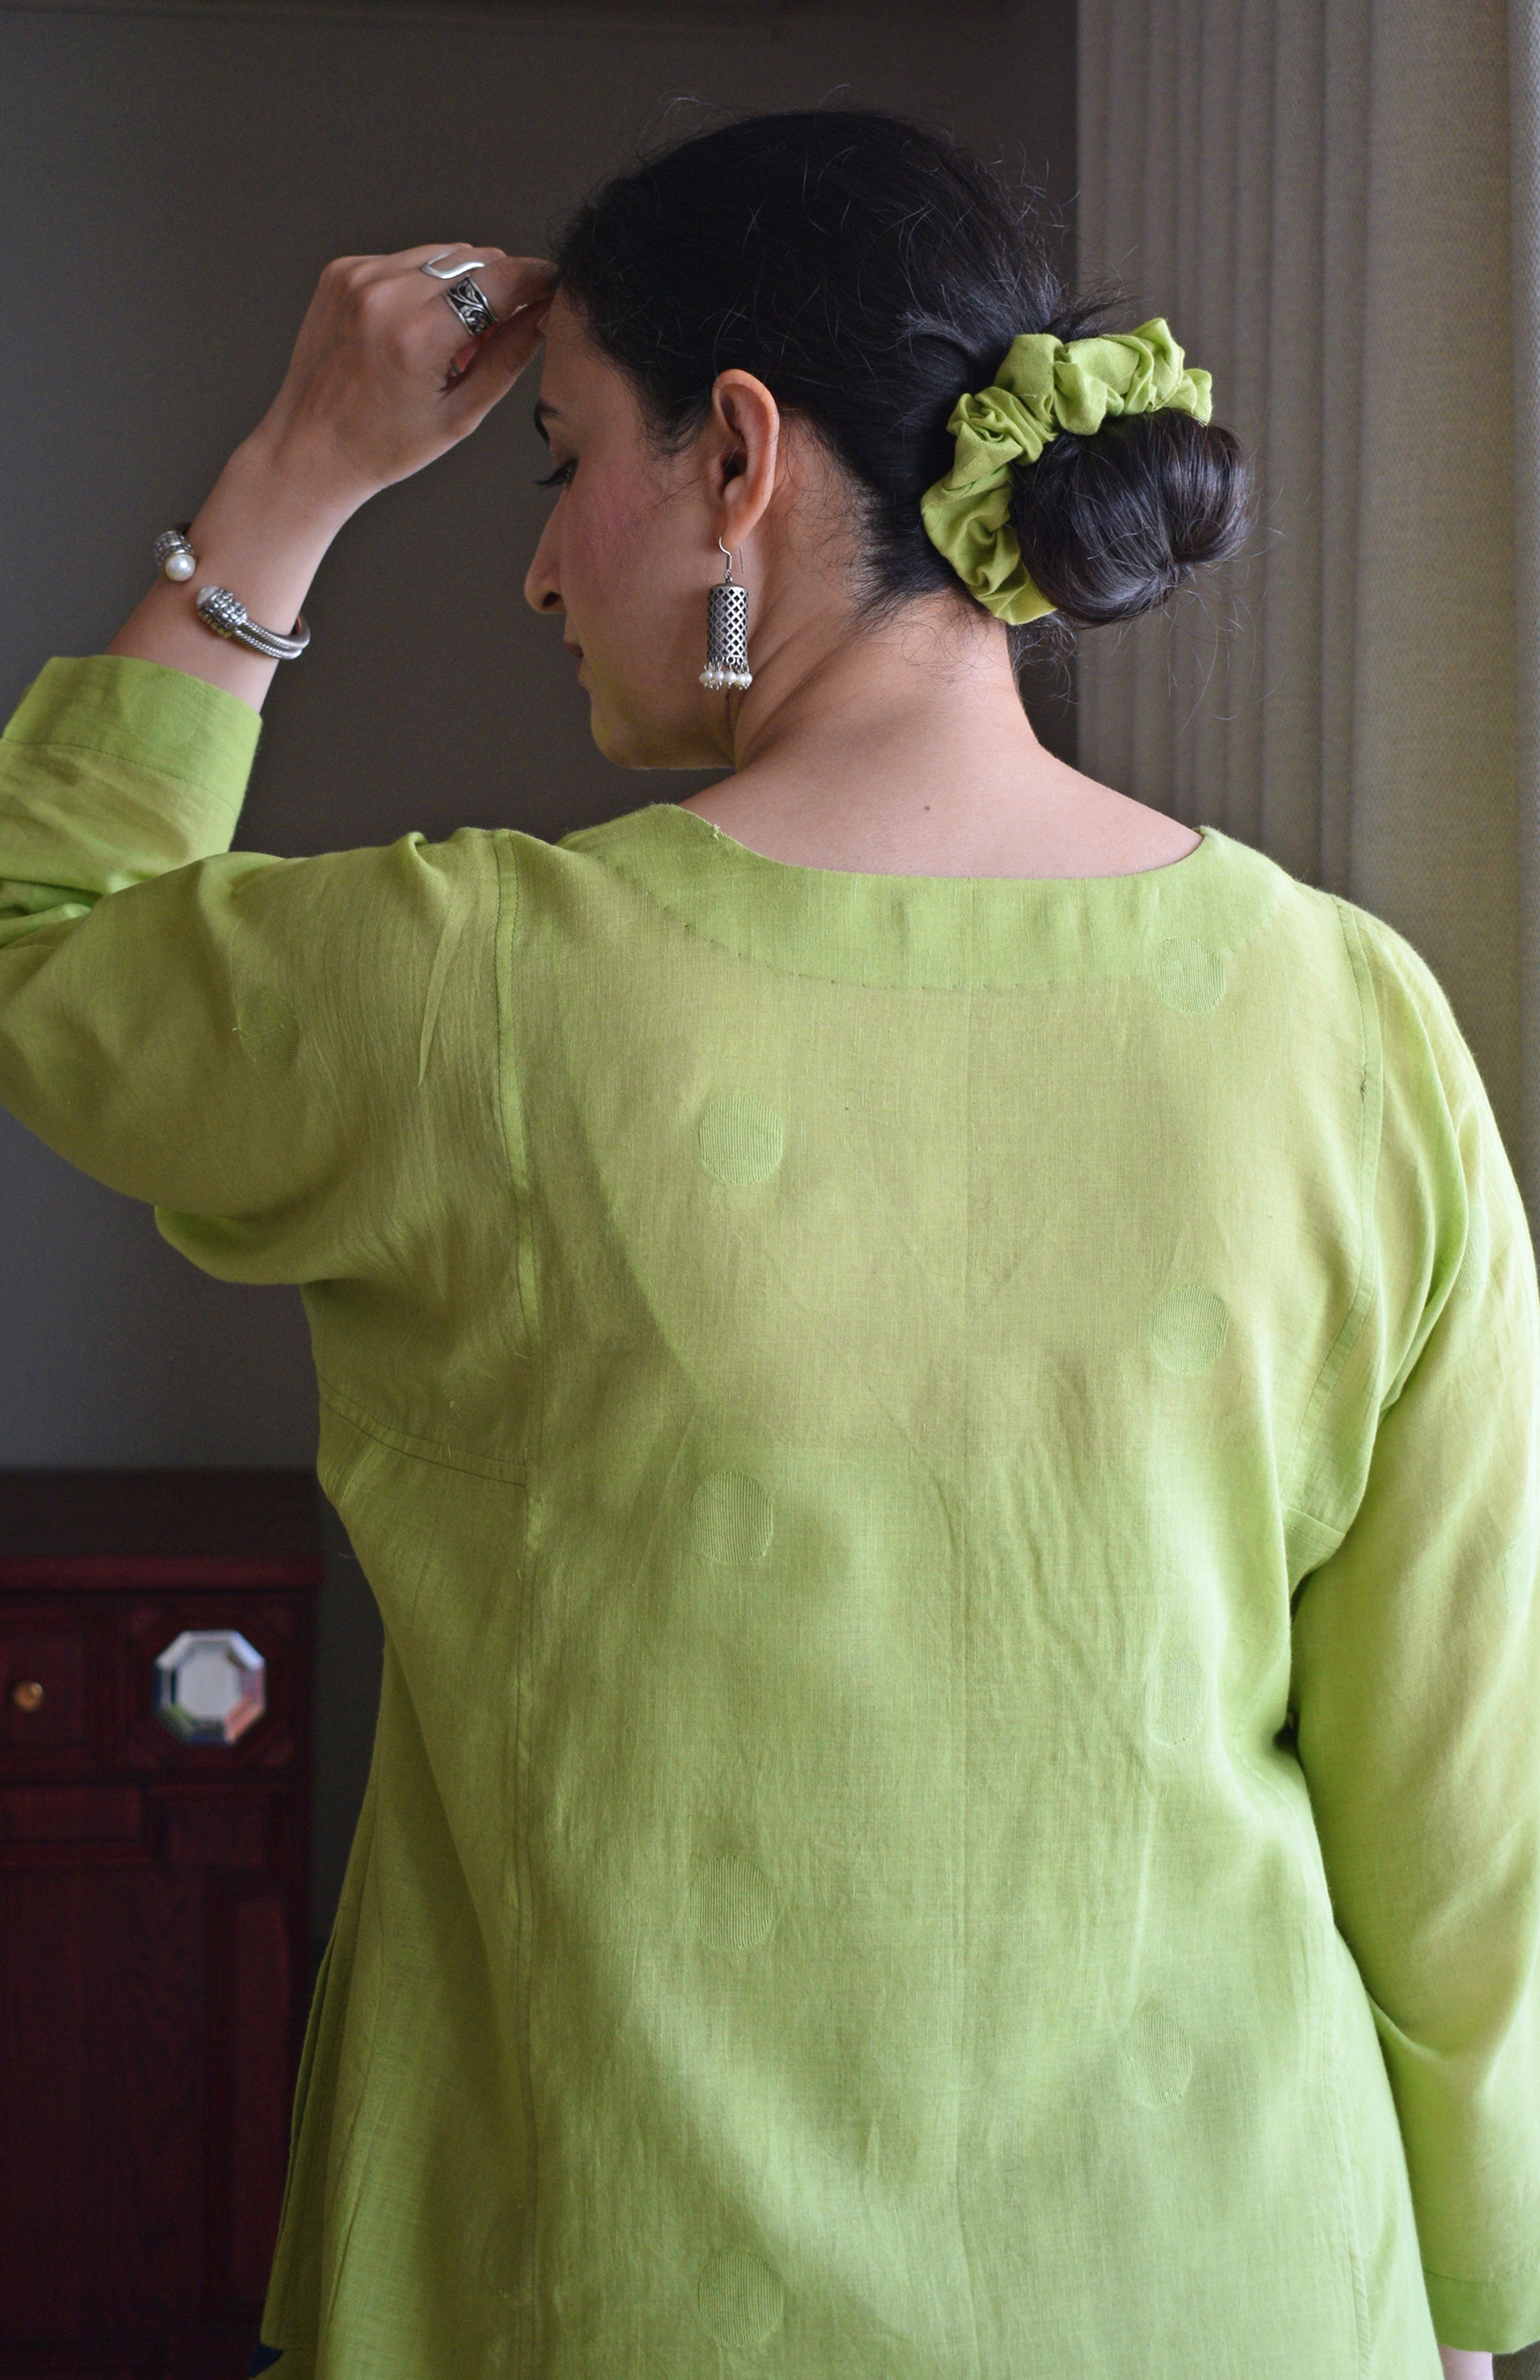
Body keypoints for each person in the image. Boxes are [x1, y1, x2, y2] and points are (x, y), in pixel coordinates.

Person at [0, 107, 1533, 2380]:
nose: (541, 573)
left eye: (558, 465)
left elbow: (45, 934)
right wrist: (1471, 2303)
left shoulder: (478, 990)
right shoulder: (1354, 1019)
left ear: (737, 458)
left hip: (614, 2302)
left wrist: (294, 479)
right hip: (1244, 2289)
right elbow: (1456, 1787)